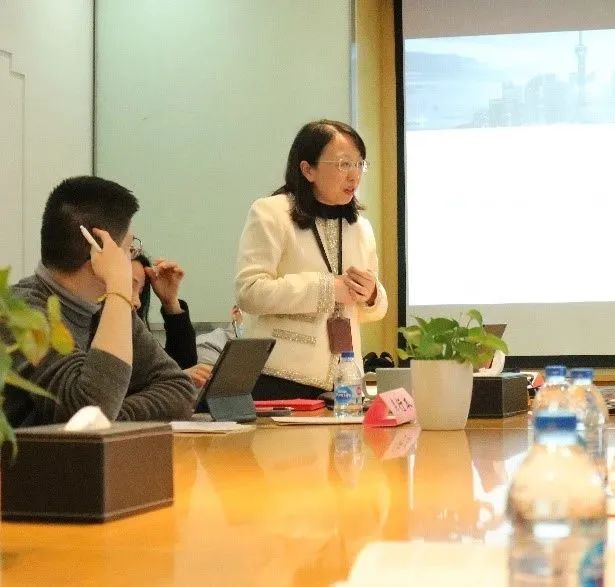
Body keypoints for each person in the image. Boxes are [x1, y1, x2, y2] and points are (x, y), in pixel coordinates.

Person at [5, 176, 196, 425]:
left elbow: (180, 390)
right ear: (99, 252)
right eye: (128, 249)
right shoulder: (21, 313)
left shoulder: (104, 306)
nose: (131, 258)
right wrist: (118, 288)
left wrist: (112, 417)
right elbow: (87, 406)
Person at [235, 119, 388, 399]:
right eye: (343, 164)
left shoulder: (360, 227)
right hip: (281, 375)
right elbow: (250, 292)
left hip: (346, 380)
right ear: (308, 169)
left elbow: (370, 312)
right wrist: (327, 288)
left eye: (359, 164)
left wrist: (371, 295)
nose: (354, 175)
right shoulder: (271, 213)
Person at [132, 253, 211, 388]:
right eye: (128, 287)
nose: (137, 302)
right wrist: (174, 379)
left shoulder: (136, 335)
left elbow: (182, 365)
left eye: (140, 292)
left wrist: (171, 303)